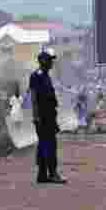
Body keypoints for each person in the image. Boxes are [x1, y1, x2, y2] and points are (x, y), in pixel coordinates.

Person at [29, 48, 66, 184]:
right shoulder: (37, 75)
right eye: (50, 60)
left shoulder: (45, 75)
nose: (52, 63)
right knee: (49, 145)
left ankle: (42, 174)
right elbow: (34, 97)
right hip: (43, 116)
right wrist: (36, 116)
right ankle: (53, 173)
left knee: (44, 145)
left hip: (49, 115)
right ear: (43, 61)